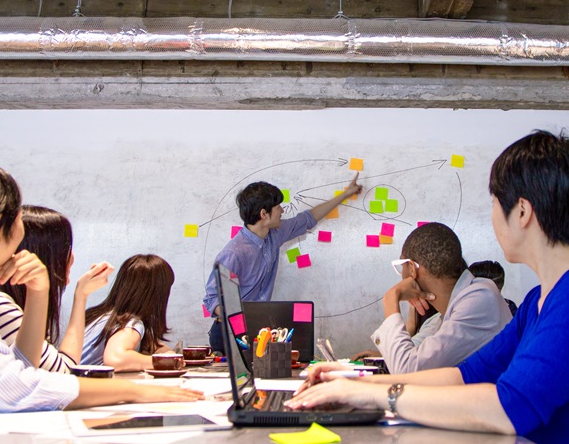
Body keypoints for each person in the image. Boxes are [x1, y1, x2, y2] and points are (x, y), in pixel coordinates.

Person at [285, 130, 569, 443]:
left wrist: (379, 395)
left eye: (494, 203)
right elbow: (464, 376)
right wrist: (353, 386)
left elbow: (508, 408)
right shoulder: (536, 303)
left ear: (523, 212)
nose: (492, 216)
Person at [0, 157, 203, 412]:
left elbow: (23, 367)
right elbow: (14, 386)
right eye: (17, 219)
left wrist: (40, 292)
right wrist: (136, 391)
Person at [0, 205, 114, 407]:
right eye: (65, 249)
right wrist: (139, 391)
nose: (71, 257)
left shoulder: (6, 302)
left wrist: (81, 295)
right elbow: (63, 373)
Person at [203, 173, 362, 353]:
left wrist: (346, 194)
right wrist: (241, 321)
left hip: (257, 331)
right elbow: (212, 299)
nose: (282, 211)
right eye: (278, 207)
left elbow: (308, 218)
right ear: (264, 214)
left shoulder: (274, 235)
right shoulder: (234, 253)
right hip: (229, 335)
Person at [350, 223, 512, 374]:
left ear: (412, 269)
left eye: (402, 265)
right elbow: (418, 357)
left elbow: (406, 369)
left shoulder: (479, 298)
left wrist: (390, 299)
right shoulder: (455, 307)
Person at [82, 254, 175, 372]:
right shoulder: (131, 323)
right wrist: (164, 362)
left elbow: (152, 345)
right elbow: (116, 359)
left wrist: (168, 354)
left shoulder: (98, 315)